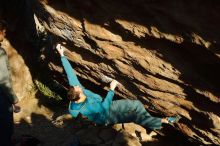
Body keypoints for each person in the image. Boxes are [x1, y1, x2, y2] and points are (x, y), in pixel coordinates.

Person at [55, 43, 179, 132]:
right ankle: (164, 121)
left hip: (105, 105)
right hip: (107, 116)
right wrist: (112, 89)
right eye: (78, 88)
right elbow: (104, 107)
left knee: (135, 104)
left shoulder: (75, 95)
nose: (78, 86)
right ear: (79, 94)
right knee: (134, 116)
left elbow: (70, 75)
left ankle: (151, 122)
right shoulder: (85, 108)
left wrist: (62, 54)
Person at [0, 20, 21, 146]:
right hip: (1, 98)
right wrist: (14, 99)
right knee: (5, 129)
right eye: (4, 31)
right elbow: (3, 79)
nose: (5, 34)